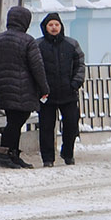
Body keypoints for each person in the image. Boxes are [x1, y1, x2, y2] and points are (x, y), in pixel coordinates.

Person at [0, 4, 49, 169]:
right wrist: (44, 88)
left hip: (4, 86)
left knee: (14, 121)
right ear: (25, 22)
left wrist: (4, 67)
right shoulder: (28, 41)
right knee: (16, 122)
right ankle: (4, 155)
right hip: (24, 89)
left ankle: (13, 154)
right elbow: (37, 67)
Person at [36, 12, 86, 167]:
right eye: (50, 25)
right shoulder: (38, 46)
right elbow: (34, 67)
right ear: (45, 27)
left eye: (56, 24)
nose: (54, 27)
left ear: (61, 26)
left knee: (71, 125)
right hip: (46, 94)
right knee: (46, 128)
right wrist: (40, 86)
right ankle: (48, 158)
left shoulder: (72, 44)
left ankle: (68, 153)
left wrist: (75, 84)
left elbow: (80, 65)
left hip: (68, 93)